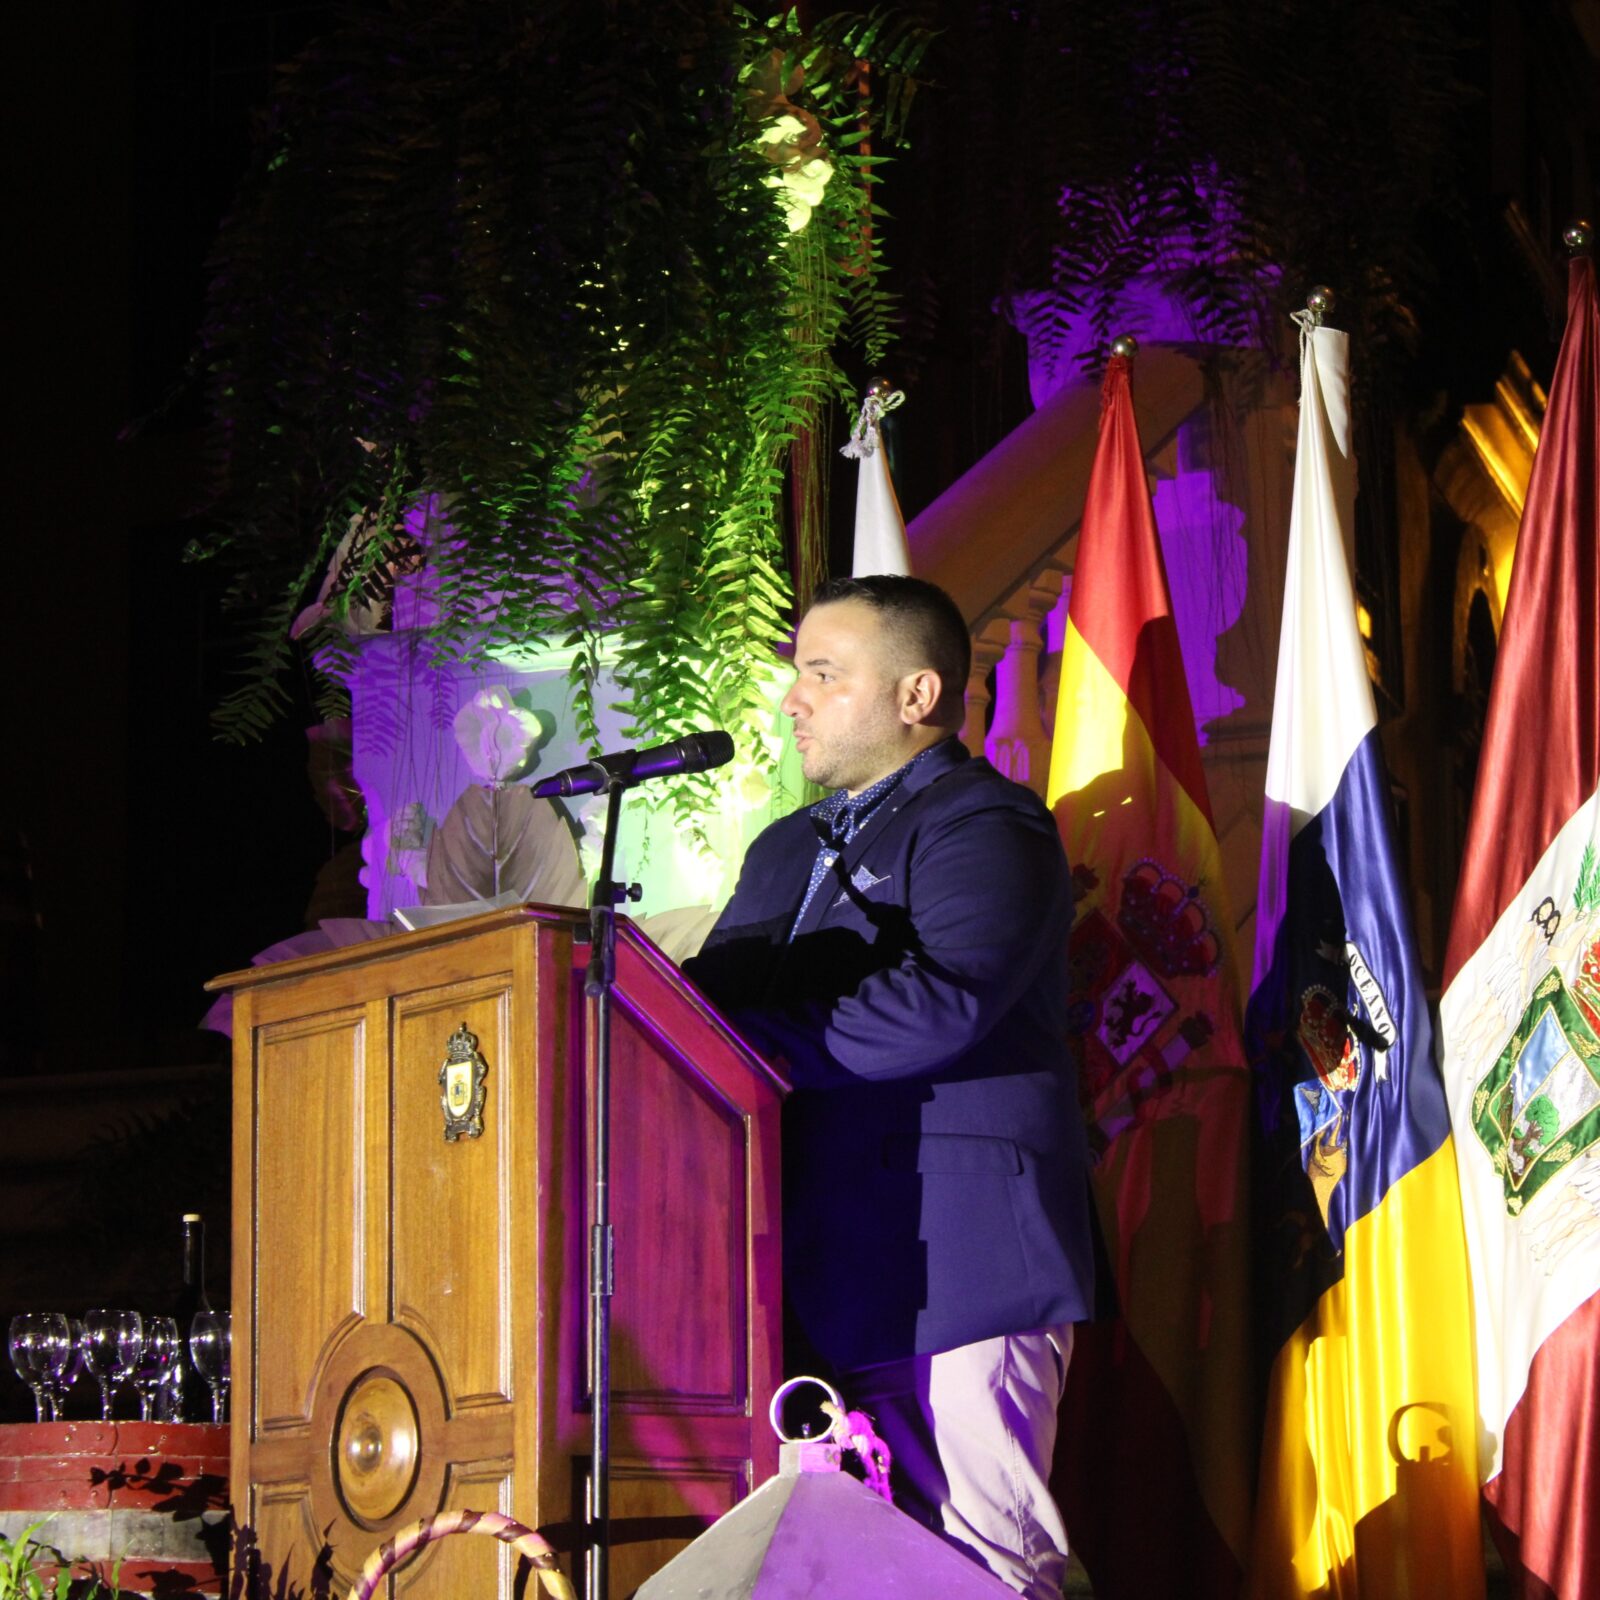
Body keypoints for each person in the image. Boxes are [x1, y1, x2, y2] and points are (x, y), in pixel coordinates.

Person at [682, 574, 1098, 1600]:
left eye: (823, 674)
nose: (793, 699)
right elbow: (707, 1000)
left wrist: (745, 1050)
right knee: (842, 1572)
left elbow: (940, 1003)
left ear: (917, 694)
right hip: (807, 1272)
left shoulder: (987, 821)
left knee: (980, 1567)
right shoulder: (785, 846)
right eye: (798, 674)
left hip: (963, 1263)